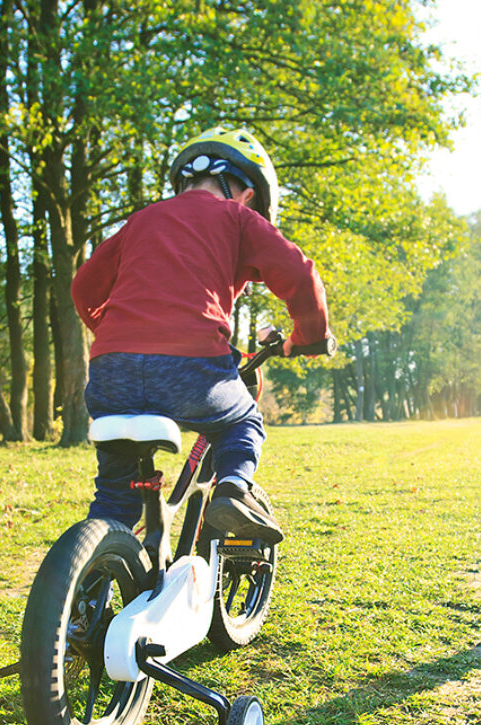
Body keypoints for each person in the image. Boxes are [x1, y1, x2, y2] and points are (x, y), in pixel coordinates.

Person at [71, 126, 331, 544]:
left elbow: (84, 287)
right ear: (247, 192)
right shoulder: (237, 217)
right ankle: (232, 490)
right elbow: (299, 273)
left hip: (110, 372)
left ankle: (85, 586)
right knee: (243, 420)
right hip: (191, 369)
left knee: (114, 497)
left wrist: (121, 338)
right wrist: (309, 337)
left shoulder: (141, 220)